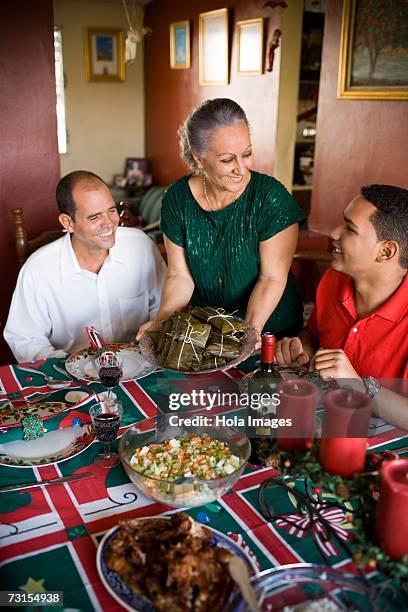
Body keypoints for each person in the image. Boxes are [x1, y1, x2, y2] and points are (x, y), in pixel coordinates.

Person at [137, 98, 305, 343]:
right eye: (228, 160)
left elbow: (272, 279)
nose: (241, 168)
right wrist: (163, 321)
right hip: (208, 331)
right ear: (199, 159)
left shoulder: (271, 198)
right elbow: (180, 276)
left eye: (247, 154)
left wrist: (249, 332)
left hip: (271, 331)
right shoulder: (177, 198)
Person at [275, 184, 408, 429]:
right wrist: (300, 348)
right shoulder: (333, 281)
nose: (334, 233)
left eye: (350, 228)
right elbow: (314, 334)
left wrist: (357, 385)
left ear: (386, 251)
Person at [4, 171, 167, 362]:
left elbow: (163, 306)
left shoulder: (140, 245)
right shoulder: (38, 269)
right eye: (94, 217)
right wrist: (73, 366)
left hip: (140, 365)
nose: (109, 223)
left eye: (111, 210)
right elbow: (26, 339)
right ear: (68, 222)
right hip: (72, 376)